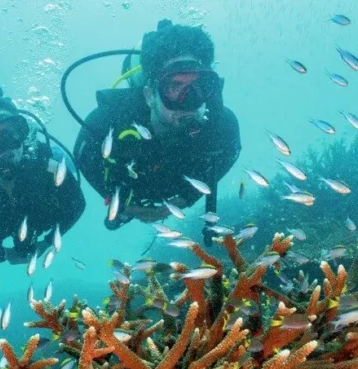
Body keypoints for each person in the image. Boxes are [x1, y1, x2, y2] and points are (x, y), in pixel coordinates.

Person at [73, 20, 241, 230]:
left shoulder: (224, 126)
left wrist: (188, 198)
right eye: (173, 87)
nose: (188, 100)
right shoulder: (105, 121)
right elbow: (83, 158)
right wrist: (123, 204)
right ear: (149, 94)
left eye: (199, 86)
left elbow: (229, 154)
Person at [0, 87, 85, 264]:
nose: (7, 145)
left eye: (13, 132)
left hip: (42, 220)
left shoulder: (49, 168)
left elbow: (77, 205)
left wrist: (47, 242)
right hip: (3, 225)